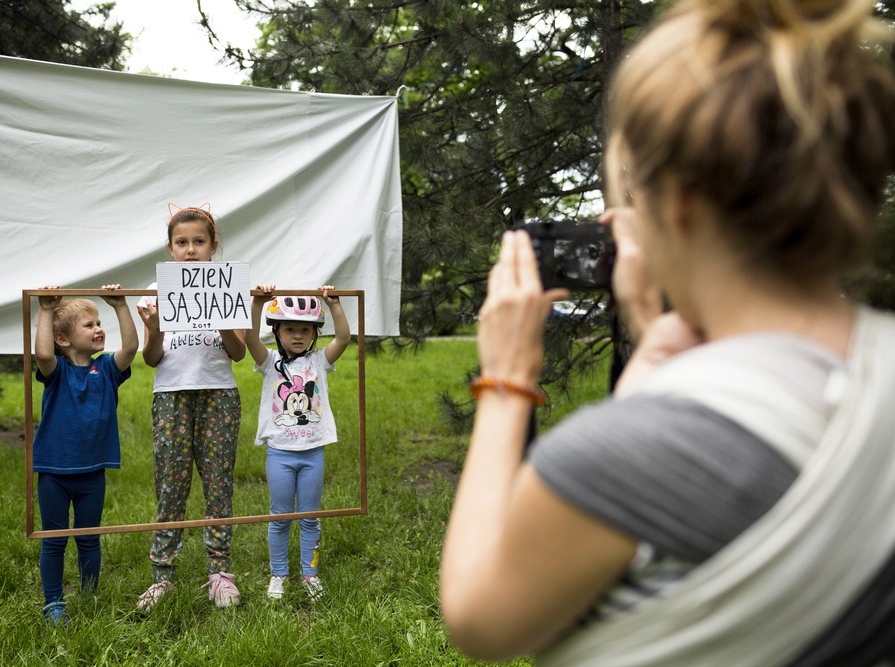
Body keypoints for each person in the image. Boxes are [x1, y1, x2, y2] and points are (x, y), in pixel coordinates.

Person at [440, 0, 895, 665]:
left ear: (677, 199)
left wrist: (507, 381)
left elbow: (478, 620)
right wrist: (655, 345)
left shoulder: (616, 460)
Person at [135, 205, 248, 611]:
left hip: (218, 394)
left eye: (198, 242)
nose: (190, 249)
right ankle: (162, 575)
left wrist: (222, 318)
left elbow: (236, 352)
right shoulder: (156, 289)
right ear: (170, 248)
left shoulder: (226, 286)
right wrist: (153, 331)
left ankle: (220, 574)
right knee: (171, 484)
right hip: (171, 396)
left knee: (218, 484)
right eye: (181, 242)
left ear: (213, 246)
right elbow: (151, 358)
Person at [33, 284, 138, 624]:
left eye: (99, 322)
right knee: (55, 540)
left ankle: (90, 596)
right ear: (63, 339)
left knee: (89, 538)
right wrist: (46, 311)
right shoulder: (56, 371)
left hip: (93, 471)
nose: (98, 329)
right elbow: (44, 355)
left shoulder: (106, 368)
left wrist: (121, 305)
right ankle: (53, 602)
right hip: (54, 471)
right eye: (89, 325)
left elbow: (132, 347)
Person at [245, 284, 350, 601]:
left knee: (310, 517)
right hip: (279, 454)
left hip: (313, 454)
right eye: (290, 329)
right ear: (276, 331)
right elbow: (249, 339)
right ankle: (278, 575)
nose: (298, 335)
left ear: (314, 334)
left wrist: (334, 305)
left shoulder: (318, 362)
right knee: (279, 518)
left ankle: (310, 574)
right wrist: (258, 304)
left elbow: (343, 339)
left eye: (305, 330)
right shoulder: (269, 361)